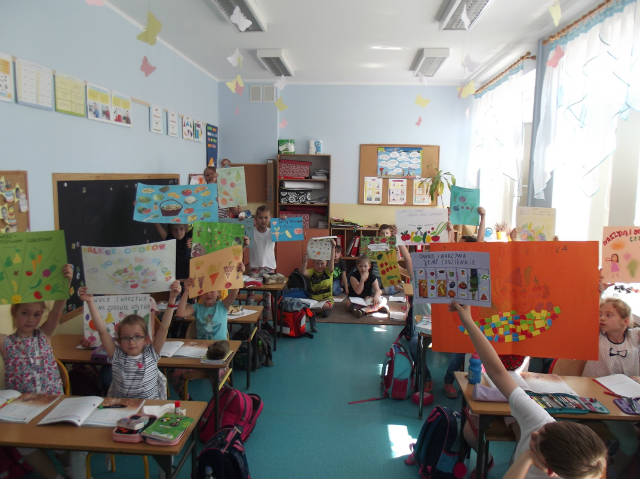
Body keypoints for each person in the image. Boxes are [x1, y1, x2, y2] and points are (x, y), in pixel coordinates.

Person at [450, 301, 607, 479]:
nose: (534, 433)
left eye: (536, 442)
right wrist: (468, 321)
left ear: (550, 471)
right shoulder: (543, 423)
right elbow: (498, 373)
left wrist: (525, 458)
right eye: (544, 430)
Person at [1, 264, 84, 479]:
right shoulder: (5, 342)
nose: (31, 319)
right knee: (25, 446)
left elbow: (57, 310)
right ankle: (54, 476)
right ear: (14, 312)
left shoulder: (44, 334)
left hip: (53, 403)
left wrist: (65, 282)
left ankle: (70, 470)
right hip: (22, 409)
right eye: (25, 313)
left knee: (60, 444)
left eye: (37, 314)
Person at [79, 281, 180, 399]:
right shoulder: (117, 355)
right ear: (119, 341)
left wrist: (172, 299)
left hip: (149, 407)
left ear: (146, 339)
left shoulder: (151, 353)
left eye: (137, 336)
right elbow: (102, 331)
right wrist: (90, 302)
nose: (131, 342)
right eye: (126, 338)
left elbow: (163, 328)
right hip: (124, 407)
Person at [441, 206, 487, 399]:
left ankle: (469, 376)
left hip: (475, 311)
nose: (458, 247)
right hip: (458, 310)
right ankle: (448, 381)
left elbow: (480, 241)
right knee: (458, 352)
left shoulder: (476, 260)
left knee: (474, 351)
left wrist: (483, 217)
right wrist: (449, 227)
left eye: (462, 245)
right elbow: (449, 247)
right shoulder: (455, 261)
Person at [582, 297, 640, 377]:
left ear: (625, 321)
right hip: (593, 381)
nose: (602, 318)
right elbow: (587, 314)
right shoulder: (598, 335)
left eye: (608, 315)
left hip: (626, 383)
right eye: (600, 315)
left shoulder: (633, 336)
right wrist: (598, 293)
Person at [302, 239, 336, 323]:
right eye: (317, 263)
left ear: (326, 263)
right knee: (301, 303)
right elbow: (303, 272)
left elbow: (331, 262)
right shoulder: (312, 271)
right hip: (314, 301)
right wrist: (305, 262)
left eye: (322, 263)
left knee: (327, 306)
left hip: (326, 300)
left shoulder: (328, 271)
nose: (320, 266)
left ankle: (314, 311)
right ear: (313, 263)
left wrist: (333, 247)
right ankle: (317, 311)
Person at [377, 224, 413, 292]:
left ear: (390, 234)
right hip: (379, 272)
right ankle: (391, 288)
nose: (385, 235)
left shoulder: (394, 244)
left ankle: (395, 287)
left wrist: (394, 254)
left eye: (387, 233)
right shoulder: (377, 243)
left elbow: (399, 259)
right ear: (379, 234)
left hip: (389, 271)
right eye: (382, 233)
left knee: (391, 289)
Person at [248, 205, 276, 275]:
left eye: (266, 217)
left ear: (270, 218)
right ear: (256, 218)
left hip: (269, 268)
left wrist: (283, 221)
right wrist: (240, 220)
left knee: (268, 282)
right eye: (260, 218)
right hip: (255, 267)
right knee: (254, 282)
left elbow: (286, 230)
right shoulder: (251, 232)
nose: (263, 220)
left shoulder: (273, 232)